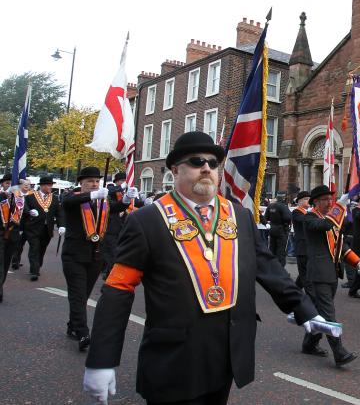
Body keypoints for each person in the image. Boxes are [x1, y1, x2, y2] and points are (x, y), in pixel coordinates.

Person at [83, 131, 320, 404]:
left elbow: (266, 265)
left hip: (228, 353)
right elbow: (117, 289)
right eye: (196, 161)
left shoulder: (238, 215)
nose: (206, 167)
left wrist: (303, 309)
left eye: (213, 162)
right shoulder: (147, 221)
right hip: (176, 358)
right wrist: (102, 359)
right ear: (175, 170)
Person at [60, 167, 133, 352]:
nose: (94, 184)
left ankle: (73, 325)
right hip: (74, 256)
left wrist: (126, 199)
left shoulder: (103, 201)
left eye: (96, 181)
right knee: (77, 295)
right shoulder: (73, 198)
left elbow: (114, 209)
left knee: (83, 295)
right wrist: (92, 196)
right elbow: (69, 202)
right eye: (90, 181)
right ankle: (83, 333)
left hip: (95, 256)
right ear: (81, 183)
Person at [300, 184, 360, 366]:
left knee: (318, 313)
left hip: (332, 273)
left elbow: (340, 245)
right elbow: (325, 225)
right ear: (315, 202)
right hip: (318, 274)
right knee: (329, 314)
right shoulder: (310, 218)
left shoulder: (331, 219)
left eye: (331, 199)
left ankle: (309, 343)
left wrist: (357, 262)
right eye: (325, 200)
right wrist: (340, 206)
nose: (329, 202)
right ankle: (339, 352)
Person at [100, 172, 142, 279]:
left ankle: (112, 271)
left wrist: (135, 196)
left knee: (122, 251)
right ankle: (110, 273)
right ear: (117, 182)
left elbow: (138, 204)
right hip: (113, 226)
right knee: (112, 251)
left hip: (126, 226)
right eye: (122, 181)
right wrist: (122, 187)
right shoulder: (112, 189)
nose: (124, 182)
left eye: (125, 180)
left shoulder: (128, 192)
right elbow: (109, 193)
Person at [23, 175, 63, 281]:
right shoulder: (30, 197)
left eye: (51, 185)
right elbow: (24, 208)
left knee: (42, 248)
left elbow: (59, 213)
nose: (50, 187)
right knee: (34, 248)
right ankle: (34, 271)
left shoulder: (54, 198)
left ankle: (37, 265)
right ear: (42, 186)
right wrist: (29, 212)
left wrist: (61, 225)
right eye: (48, 185)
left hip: (47, 229)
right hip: (33, 228)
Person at [0, 186, 27, 303]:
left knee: (5, 264)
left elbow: (24, 216)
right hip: (0, 236)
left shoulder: (20, 202)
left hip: (12, 237)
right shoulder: (2, 199)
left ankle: (1, 285)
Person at [291, 190, 311, 291]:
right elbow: (305, 220)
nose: (309, 201)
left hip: (308, 246)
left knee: (305, 272)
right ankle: (312, 299)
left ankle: (294, 291)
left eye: (309, 199)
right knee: (305, 274)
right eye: (306, 199)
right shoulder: (296, 212)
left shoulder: (307, 213)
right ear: (299, 201)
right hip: (302, 247)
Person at [10, 178, 31, 270]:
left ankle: (17, 260)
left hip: (30, 224)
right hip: (18, 223)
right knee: (18, 244)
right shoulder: (15, 195)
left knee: (27, 245)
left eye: (29, 184)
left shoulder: (33, 195)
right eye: (25, 184)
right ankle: (15, 261)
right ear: (20, 185)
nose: (27, 186)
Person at [264, 195, 292, 267]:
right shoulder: (283, 206)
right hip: (281, 229)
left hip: (272, 229)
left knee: (272, 248)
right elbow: (288, 217)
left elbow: (265, 218)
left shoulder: (270, 206)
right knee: (281, 250)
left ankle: (272, 267)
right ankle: (280, 269)